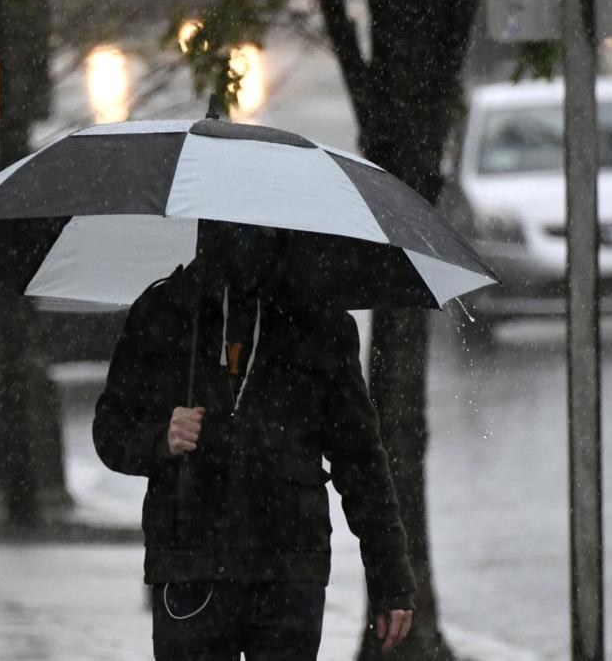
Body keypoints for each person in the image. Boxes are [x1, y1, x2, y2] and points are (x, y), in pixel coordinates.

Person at [93, 221, 416, 660]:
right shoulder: (165, 310)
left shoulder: (321, 322)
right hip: (190, 564)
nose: (246, 235)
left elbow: (360, 462)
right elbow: (110, 430)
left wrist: (390, 579)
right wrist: (161, 439)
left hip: (289, 570)